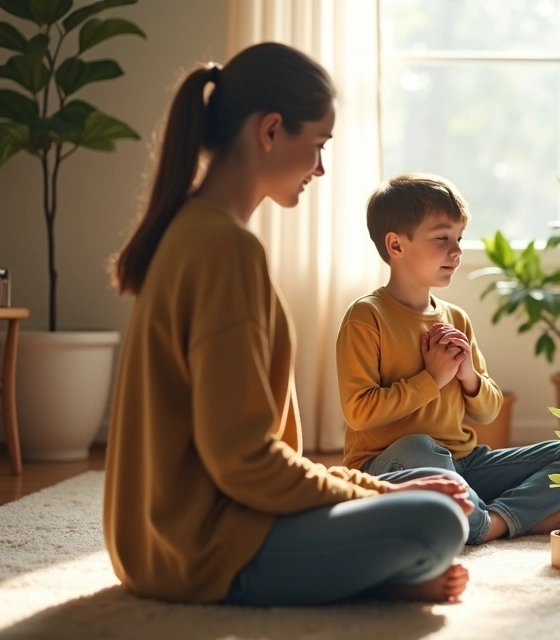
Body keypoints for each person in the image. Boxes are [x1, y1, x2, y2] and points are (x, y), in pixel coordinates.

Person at [104, 43, 472, 607]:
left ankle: (376, 565)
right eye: (318, 145)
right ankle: (377, 577)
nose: (321, 168)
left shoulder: (192, 230)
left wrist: (370, 490)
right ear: (271, 130)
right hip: (201, 549)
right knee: (436, 520)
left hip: (158, 540)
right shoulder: (224, 248)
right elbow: (246, 462)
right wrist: (374, 495)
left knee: (420, 493)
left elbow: (237, 457)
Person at [336, 173, 560, 545]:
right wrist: (431, 379)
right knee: (419, 445)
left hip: (463, 462)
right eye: (441, 238)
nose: (456, 251)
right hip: (392, 466)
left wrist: (467, 375)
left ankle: (493, 517)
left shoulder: (456, 319)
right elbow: (359, 412)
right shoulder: (366, 318)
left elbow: (487, 411)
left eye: (459, 238)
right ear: (395, 245)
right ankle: (493, 522)